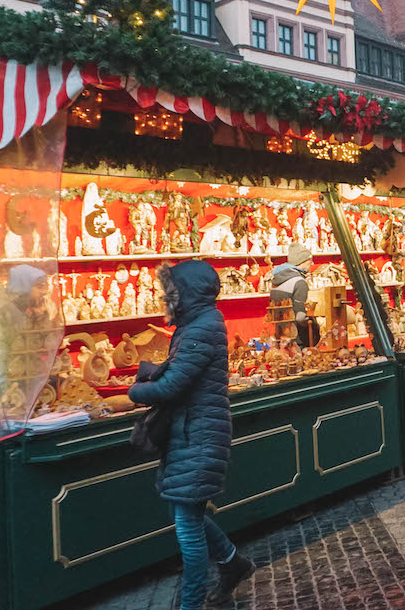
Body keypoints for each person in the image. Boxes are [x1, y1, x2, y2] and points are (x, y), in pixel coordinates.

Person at [127, 261, 255, 610]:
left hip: (198, 433)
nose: (167, 298)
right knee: (186, 512)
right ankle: (232, 564)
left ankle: (192, 602)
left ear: (187, 294)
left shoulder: (200, 329)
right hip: (191, 431)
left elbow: (173, 385)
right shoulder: (197, 325)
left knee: (187, 526)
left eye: (172, 291)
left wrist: (133, 391)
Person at [270, 243, 313, 341]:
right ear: (302, 262)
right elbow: (300, 317)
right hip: (297, 337)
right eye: (310, 261)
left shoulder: (277, 279)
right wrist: (312, 321)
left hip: (280, 333)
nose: (312, 264)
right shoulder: (299, 282)